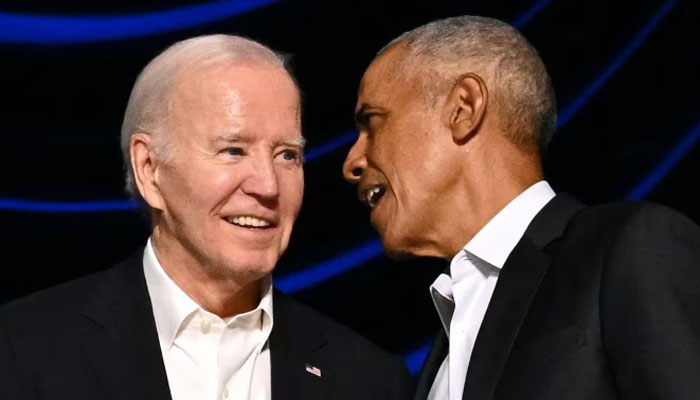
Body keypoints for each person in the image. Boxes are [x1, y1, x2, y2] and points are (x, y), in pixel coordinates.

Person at [0, 34, 411, 400]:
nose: (268, 186)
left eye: (288, 155)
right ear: (150, 169)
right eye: (233, 150)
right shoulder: (22, 349)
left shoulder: (369, 380)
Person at [342, 15, 700, 400]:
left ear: (464, 109)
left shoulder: (630, 247)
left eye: (372, 122)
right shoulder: (438, 358)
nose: (352, 161)